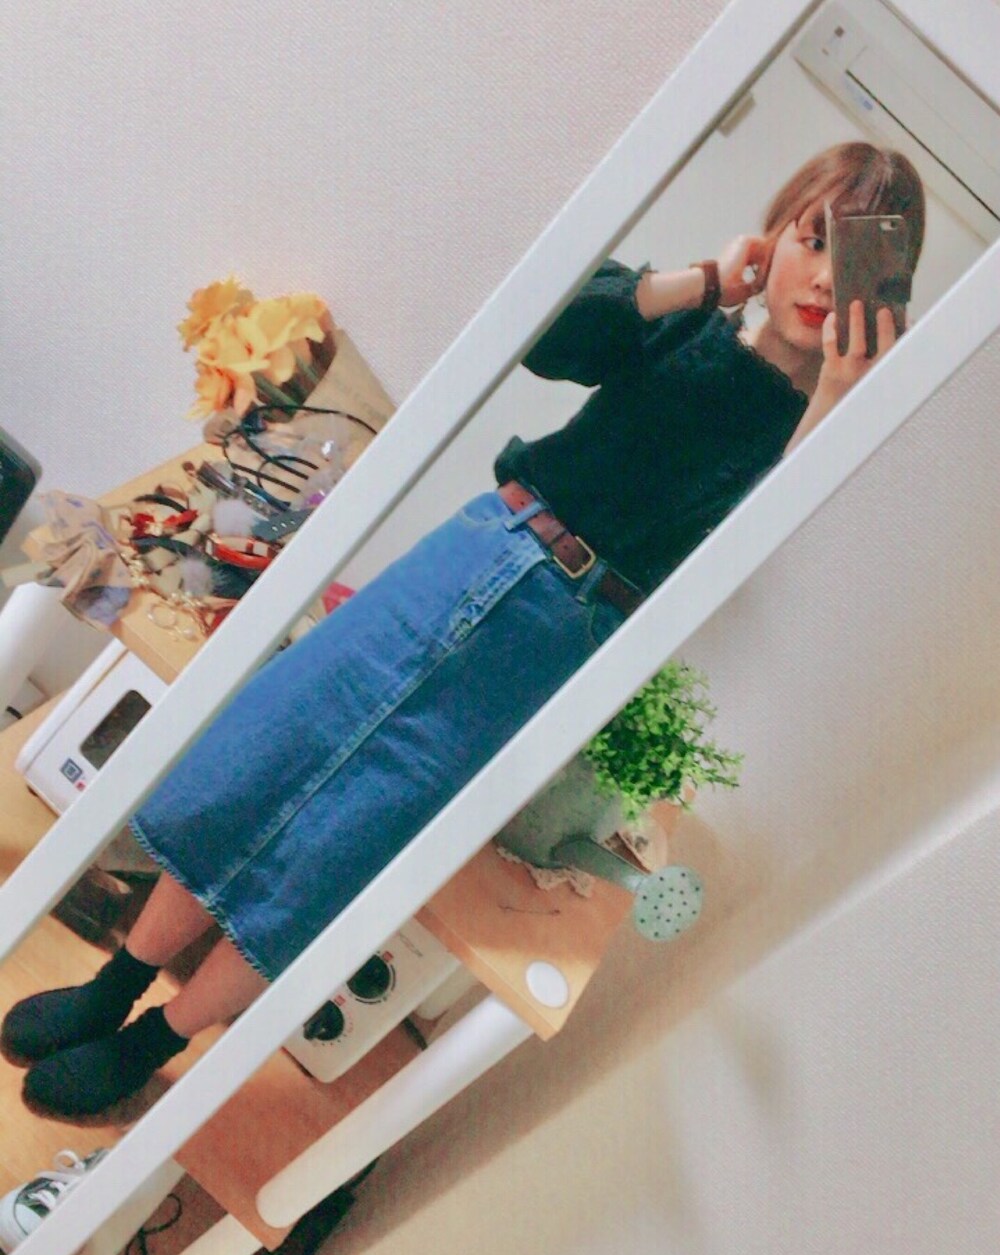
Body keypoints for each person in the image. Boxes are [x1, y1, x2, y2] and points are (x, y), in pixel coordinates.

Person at [2, 142, 925, 1118]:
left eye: (861, 259)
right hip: (485, 542)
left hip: (563, 633)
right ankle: (113, 984)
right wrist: (702, 280)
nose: (824, 277)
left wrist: (838, 398)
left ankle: (155, 1038)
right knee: (272, 745)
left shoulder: (813, 433)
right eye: (812, 238)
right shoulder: (688, 324)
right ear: (774, 235)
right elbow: (552, 331)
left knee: (353, 836)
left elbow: (746, 546)